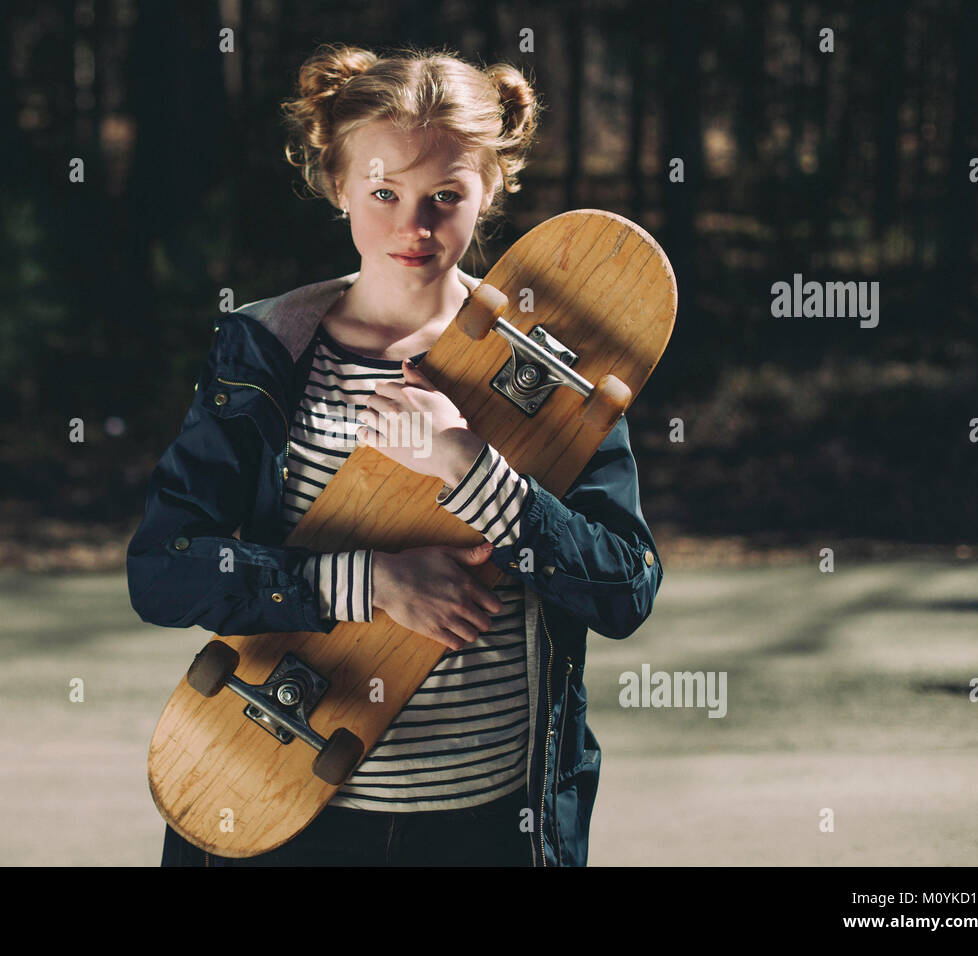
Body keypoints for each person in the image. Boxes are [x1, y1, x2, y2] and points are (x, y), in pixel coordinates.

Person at [127, 43, 663, 867]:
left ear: (489, 191)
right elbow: (165, 571)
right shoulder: (267, 352)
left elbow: (625, 589)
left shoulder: (560, 372)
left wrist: (469, 466)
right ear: (337, 184)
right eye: (383, 192)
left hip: (489, 820)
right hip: (288, 807)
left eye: (444, 195)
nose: (413, 225)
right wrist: (370, 581)